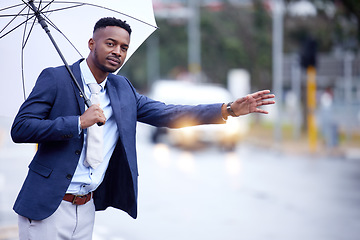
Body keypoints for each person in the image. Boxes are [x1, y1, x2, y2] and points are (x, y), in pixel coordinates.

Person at [11, 17, 275, 240]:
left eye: (123, 47)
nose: (117, 52)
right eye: (110, 43)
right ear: (92, 44)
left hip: (87, 206)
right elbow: (21, 128)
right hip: (48, 207)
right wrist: (78, 122)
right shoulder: (56, 78)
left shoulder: (122, 88)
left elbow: (168, 113)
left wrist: (227, 109)